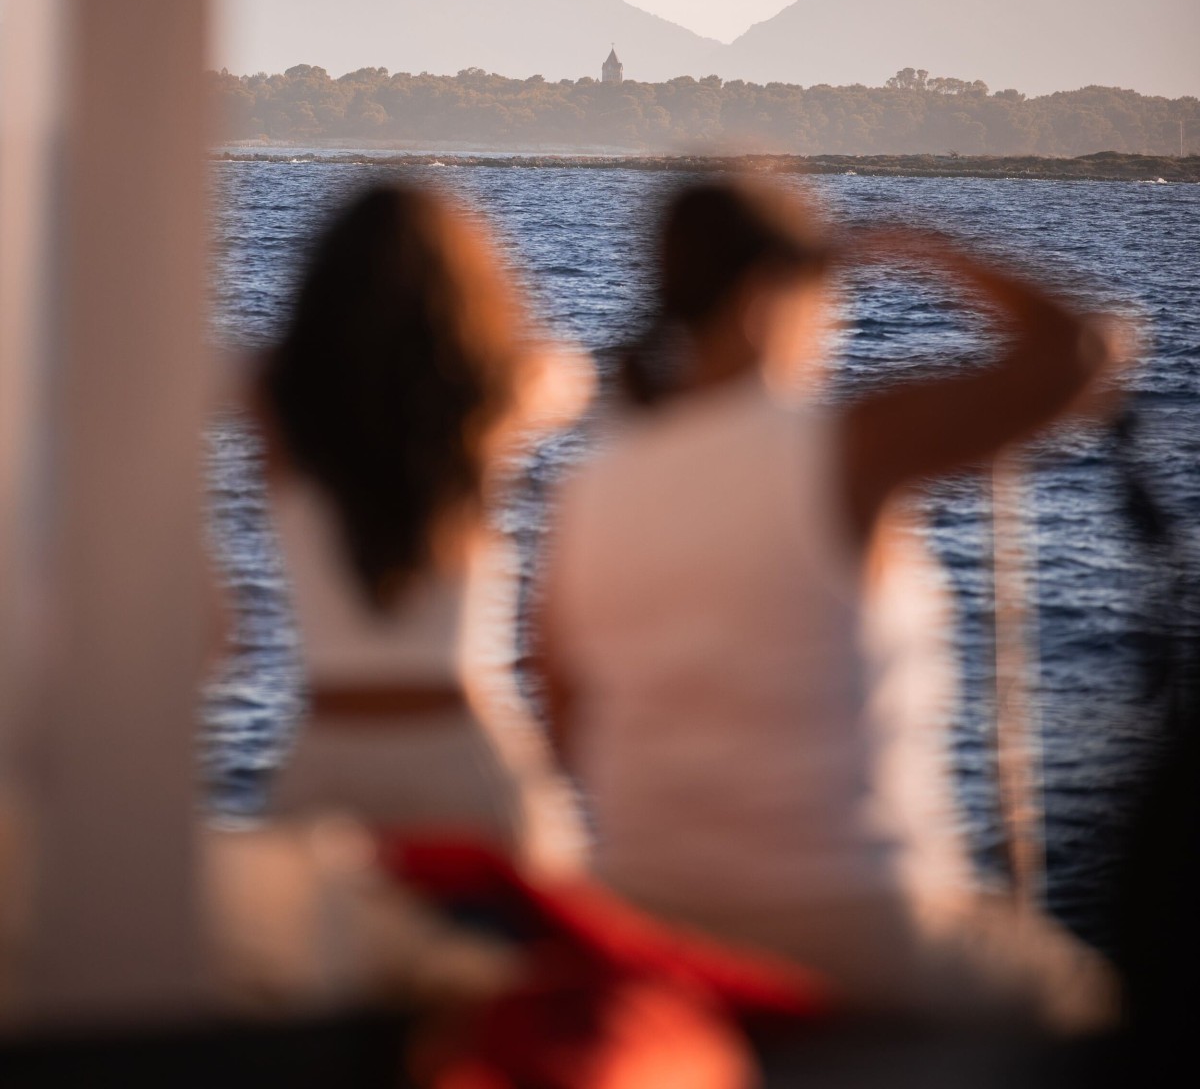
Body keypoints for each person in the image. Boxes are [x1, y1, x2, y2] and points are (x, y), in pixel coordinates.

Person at [533, 177, 1123, 1032]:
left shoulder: (586, 484)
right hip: (859, 928)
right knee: (1087, 1002)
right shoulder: (845, 443)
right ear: (770, 296)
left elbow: (560, 711)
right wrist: (916, 245)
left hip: (648, 919)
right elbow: (1083, 350)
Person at [255, 181, 588, 866]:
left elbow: (216, 374)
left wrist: (316, 358)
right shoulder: (489, 408)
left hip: (325, 753)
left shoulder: (284, 416)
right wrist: (468, 341)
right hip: (465, 750)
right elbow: (568, 371)